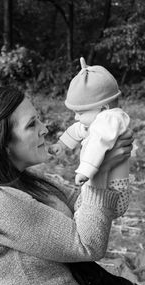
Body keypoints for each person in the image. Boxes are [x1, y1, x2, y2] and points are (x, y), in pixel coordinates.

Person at [0, 86, 136, 285]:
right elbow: (87, 244)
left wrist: (108, 159)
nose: (45, 129)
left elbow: (90, 207)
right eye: (31, 124)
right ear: (3, 143)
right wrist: (98, 172)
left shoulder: (29, 182)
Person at [49, 57, 130, 217]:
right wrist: (62, 144)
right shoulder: (99, 121)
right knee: (78, 214)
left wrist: (85, 171)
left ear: (103, 109)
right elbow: (78, 129)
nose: (75, 117)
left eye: (80, 113)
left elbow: (98, 143)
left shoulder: (110, 119)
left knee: (83, 216)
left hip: (112, 189)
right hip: (101, 183)